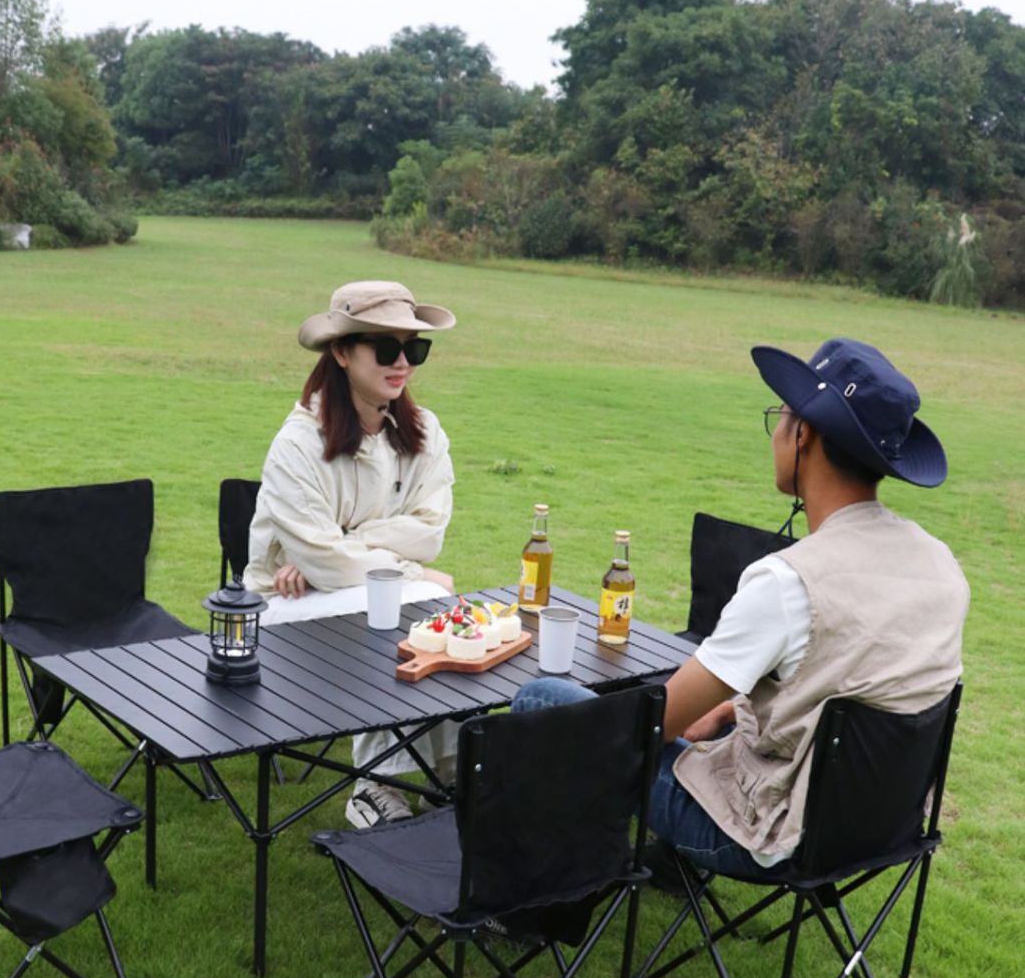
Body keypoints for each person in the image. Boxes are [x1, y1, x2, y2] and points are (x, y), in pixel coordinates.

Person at [514, 337, 969, 881]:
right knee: (710, 717)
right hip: (878, 827)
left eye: (781, 416)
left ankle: (536, 898)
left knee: (544, 701)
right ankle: (660, 869)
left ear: (804, 434)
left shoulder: (790, 583)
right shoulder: (941, 564)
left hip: (767, 834)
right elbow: (854, 685)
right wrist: (728, 709)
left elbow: (655, 726)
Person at [244, 279, 461, 829]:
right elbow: (333, 564)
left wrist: (344, 545)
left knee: (432, 609)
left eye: (414, 348)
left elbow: (429, 533)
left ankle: (447, 774)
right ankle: (374, 786)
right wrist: (404, 568)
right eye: (386, 348)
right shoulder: (297, 445)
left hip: (334, 587)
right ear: (341, 353)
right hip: (283, 608)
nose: (403, 363)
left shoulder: (424, 432)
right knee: (410, 603)